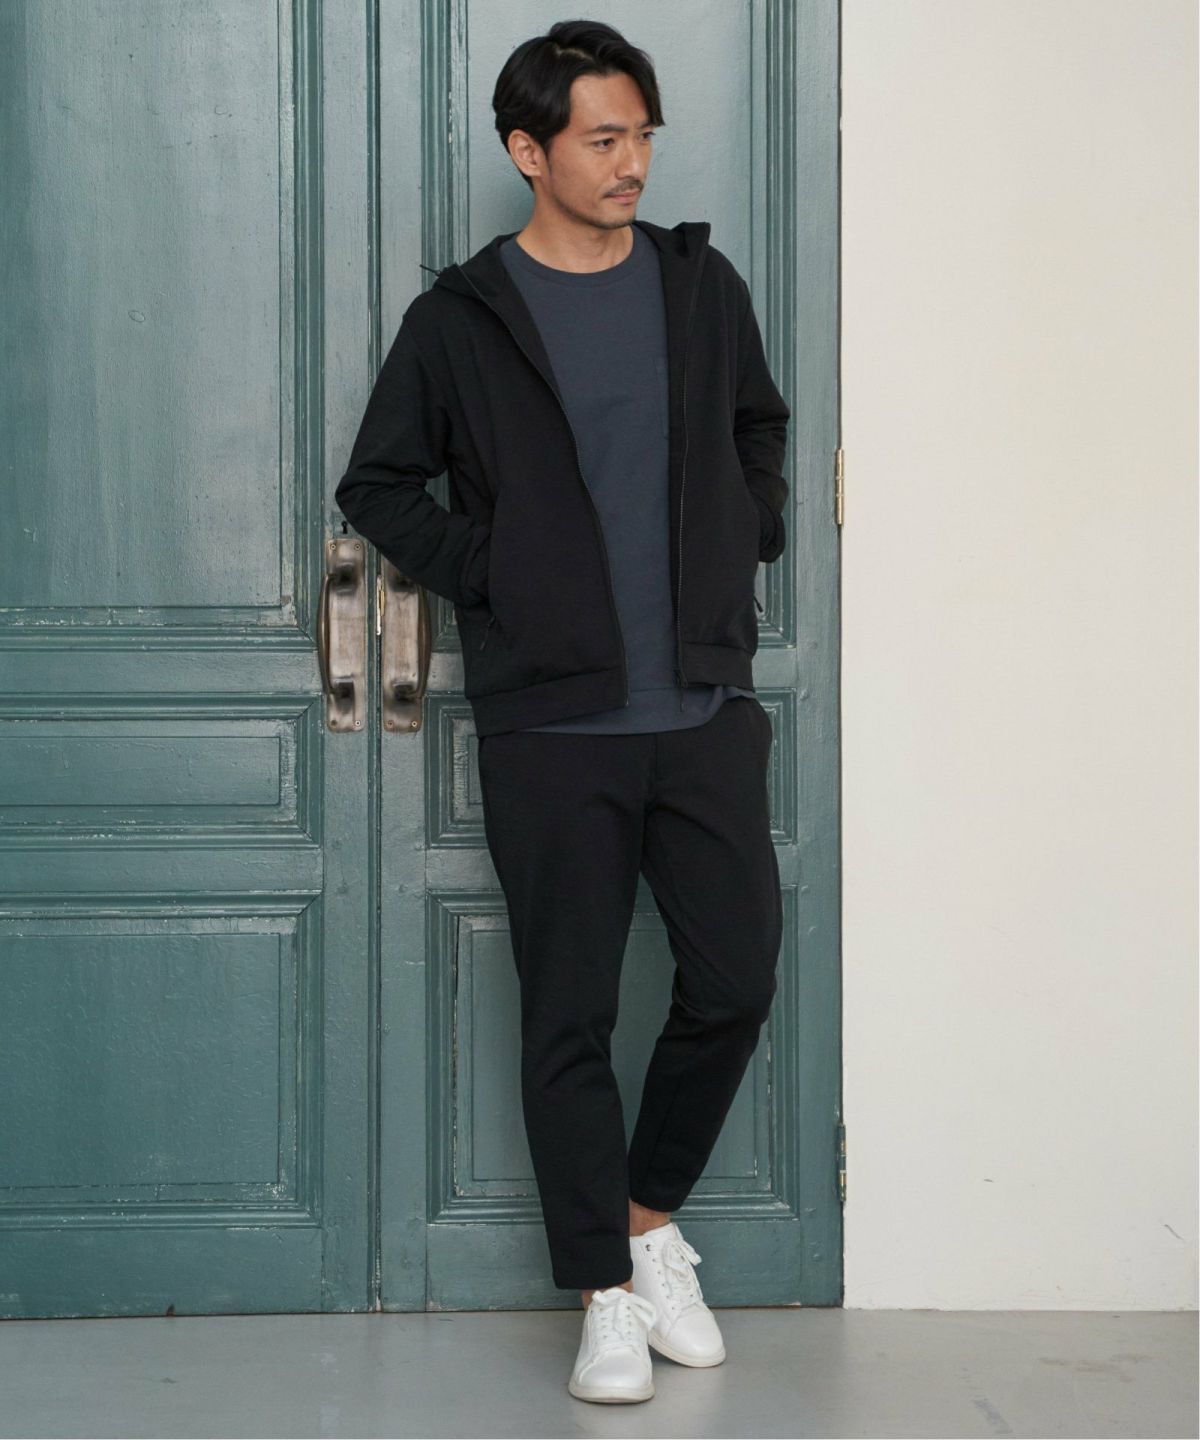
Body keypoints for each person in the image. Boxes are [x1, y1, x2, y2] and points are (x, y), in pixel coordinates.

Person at [335, 18, 789, 1406]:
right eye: (603, 138)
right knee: (570, 1015)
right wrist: (502, 573)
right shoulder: (463, 320)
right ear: (528, 151)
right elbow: (378, 485)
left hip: (702, 706)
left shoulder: (699, 288)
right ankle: (602, 1293)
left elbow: (758, 427)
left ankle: (647, 1225)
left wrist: (750, 526)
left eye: (642, 134)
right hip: (553, 726)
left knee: (734, 981)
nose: (632, 161)